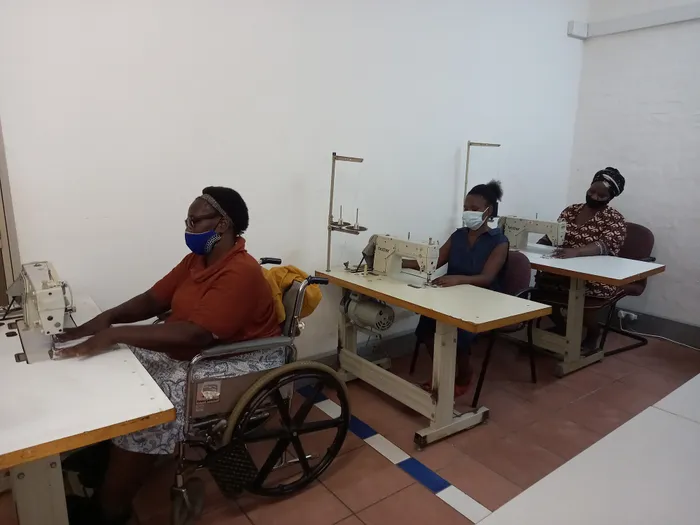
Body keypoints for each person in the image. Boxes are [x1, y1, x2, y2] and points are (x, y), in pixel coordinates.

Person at [60, 187, 282, 525]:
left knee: (152, 406)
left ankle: (111, 509)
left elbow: (197, 334)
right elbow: (153, 299)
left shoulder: (242, 271)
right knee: (123, 364)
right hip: (203, 350)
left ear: (222, 224)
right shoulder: (197, 261)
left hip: (243, 358)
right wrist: (108, 318)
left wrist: (117, 332)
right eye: (187, 221)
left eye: (195, 221)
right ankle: (110, 457)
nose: (188, 229)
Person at [403, 180, 508, 396]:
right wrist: (399, 262)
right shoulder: (458, 235)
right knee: (426, 327)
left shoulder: (499, 241)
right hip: (453, 293)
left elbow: (487, 278)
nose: (468, 212)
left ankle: (464, 375)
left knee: (458, 333)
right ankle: (444, 373)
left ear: (488, 211)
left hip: (482, 298)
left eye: (474, 209)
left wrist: (458, 279)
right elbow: (435, 261)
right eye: (466, 208)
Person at [536, 167, 627, 349]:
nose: (594, 197)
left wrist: (576, 251)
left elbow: (605, 245)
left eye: (601, 195)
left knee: (583, 300)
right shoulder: (571, 210)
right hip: (562, 271)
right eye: (592, 191)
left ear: (611, 197)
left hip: (595, 277)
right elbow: (554, 234)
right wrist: (537, 246)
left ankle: (593, 333)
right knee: (540, 291)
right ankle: (563, 328)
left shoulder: (614, 218)